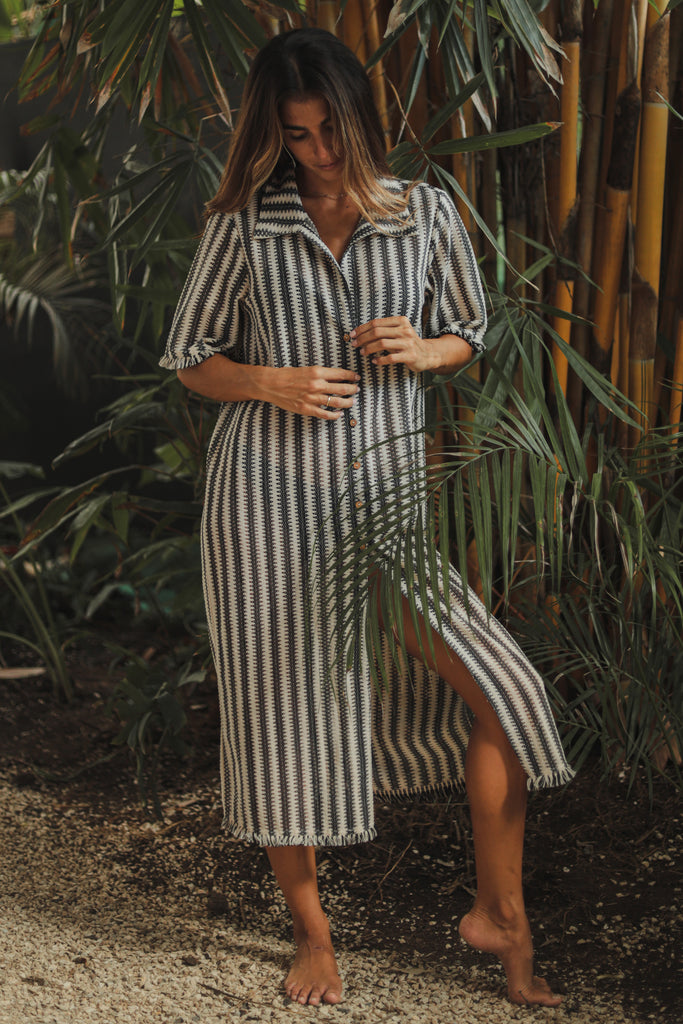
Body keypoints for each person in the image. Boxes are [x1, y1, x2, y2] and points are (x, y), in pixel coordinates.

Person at [160, 27, 573, 1009]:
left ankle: (499, 911)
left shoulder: (423, 211)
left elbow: (466, 330)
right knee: (281, 713)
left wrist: (422, 350)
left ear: (357, 115)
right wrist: (271, 380)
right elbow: (189, 357)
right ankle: (312, 934)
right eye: (296, 135)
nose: (316, 152)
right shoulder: (245, 224)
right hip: (264, 504)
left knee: (503, 689)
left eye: (328, 130)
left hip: (385, 509)